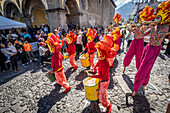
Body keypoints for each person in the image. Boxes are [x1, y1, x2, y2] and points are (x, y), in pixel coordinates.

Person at [132, 1, 170, 96]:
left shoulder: (165, 27)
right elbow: (144, 34)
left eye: (158, 17)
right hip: (148, 46)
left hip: (154, 48)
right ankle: (140, 83)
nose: (156, 18)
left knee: (145, 68)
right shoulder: (157, 24)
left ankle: (138, 86)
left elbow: (154, 38)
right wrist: (138, 30)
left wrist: (152, 28)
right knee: (142, 64)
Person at [88, 40, 111, 113]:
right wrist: (95, 67)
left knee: (101, 96)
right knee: (101, 93)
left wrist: (93, 76)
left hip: (104, 81)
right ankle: (102, 100)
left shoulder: (106, 64)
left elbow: (103, 76)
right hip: (101, 79)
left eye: (99, 53)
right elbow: (99, 62)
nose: (98, 55)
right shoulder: (101, 59)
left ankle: (108, 106)